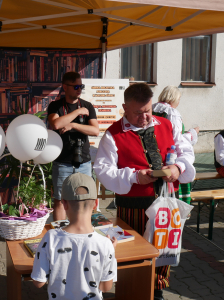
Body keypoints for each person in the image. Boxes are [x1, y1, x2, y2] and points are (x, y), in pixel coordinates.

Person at [93, 83, 195, 300]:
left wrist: (178, 168)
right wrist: (133, 176)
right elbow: (102, 170)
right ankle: (131, 293)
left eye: (147, 111)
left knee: (163, 251)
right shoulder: (113, 134)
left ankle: (156, 292)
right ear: (125, 108)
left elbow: (186, 150)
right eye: (138, 113)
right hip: (133, 206)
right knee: (132, 255)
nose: (145, 117)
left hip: (166, 203)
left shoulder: (167, 124)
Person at [31, 172, 117, 300]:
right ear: (96, 204)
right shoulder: (105, 244)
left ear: (64, 204)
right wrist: (111, 251)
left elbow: (39, 282)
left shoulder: (51, 237)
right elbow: (106, 287)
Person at [47, 71, 99, 221]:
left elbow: (95, 130)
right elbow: (56, 123)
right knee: (60, 199)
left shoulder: (87, 106)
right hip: (62, 161)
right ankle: (60, 234)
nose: (79, 89)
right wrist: (77, 112)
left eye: (81, 86)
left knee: (85, 198)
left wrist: (73, 125)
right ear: (65, 87)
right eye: (76, 86)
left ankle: (82, 229)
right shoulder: (56, 106)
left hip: (84, 161)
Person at [152, 85, 199, 205]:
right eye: (178, 99)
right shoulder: (172, 112)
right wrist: (192, 134)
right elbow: (176, 139)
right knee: (172, 195)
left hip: (152, 155)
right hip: (169, 158)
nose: (178, 102)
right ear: (174, 98)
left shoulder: (152, 108)